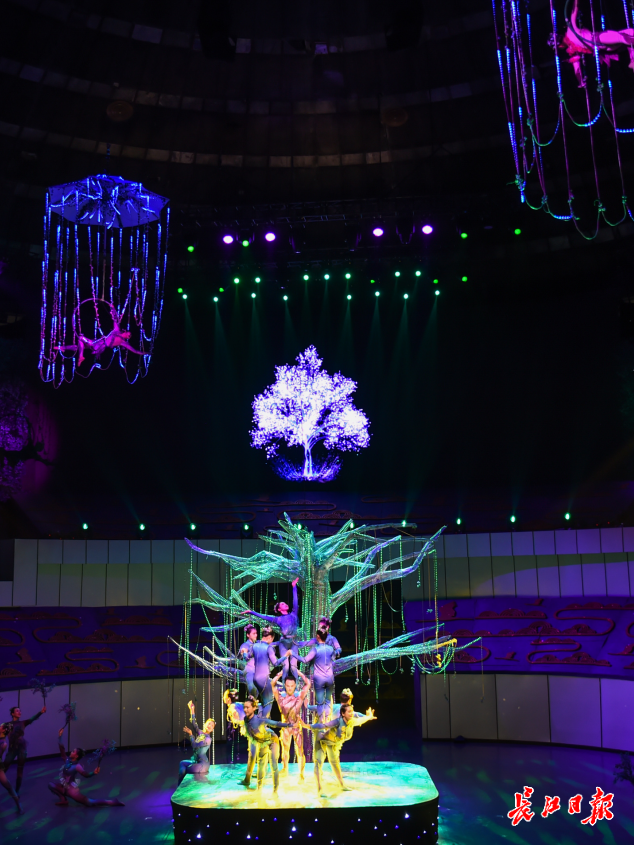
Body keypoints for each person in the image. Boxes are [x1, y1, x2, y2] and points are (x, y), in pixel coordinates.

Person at [300, 704, 377, 796]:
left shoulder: (352, 721)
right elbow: (322, 726)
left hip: (333, 743)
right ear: (343, 714)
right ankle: (320, 789)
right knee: (318, 764)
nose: (352, 713)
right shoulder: (337, 722)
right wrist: (305, 726)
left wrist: (369, 716)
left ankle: (341, 785)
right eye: (349, 711)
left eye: (352, 711)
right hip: (322, 740)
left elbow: (362, 719)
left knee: (335, 763)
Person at [555, 0, 634, 87]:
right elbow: (574, 10)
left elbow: (577, 68)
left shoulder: (571, 44)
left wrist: (580, 81)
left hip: (602, 46)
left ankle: (632, 60)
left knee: (629, 33)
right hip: (599, 40)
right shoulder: (571, 38)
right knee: (623, 38)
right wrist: (580, 81)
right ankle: (632, 60)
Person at [47, 727, 124, 807]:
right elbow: (62, 751)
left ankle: (113, 802)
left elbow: (85, 774)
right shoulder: (67, 761)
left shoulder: (77, 766)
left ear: (76, 756)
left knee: (90, 802)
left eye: (73, 751)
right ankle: (63, 799)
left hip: (71, 791)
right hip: (64, 788)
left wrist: (93, 773)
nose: (71, 752)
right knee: (51, 785)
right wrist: (60, 736)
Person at [241, 577, 300, 679]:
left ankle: (297, 686)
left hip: (294, 641)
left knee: (294, 667)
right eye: (282, 604)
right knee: (286, 667)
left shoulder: (293, 614)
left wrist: (294, 587)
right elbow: (263, 616)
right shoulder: (278, 619)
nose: (285, 604)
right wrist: (251, 612)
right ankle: (285, 687)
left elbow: (295, 601)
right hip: (284, 642)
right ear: (279, 609)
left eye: (285, 603)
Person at [55, 305, 145, 366]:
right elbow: (115, 318)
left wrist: (146, 353)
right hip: (96, 342)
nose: (128, 334)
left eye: (129, 336)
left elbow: (135, 351)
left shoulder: (122, 342)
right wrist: (113, 308)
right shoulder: (116, 330)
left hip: (98, 346)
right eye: (128, 333)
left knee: (81, 338)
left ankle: (80, 356)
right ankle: (63, 348)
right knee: (80, 344)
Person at [270, 669, 311, 780]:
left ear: (295, 686)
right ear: (285, 685)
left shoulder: (299, 696)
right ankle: (285, 769)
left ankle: (301, 773)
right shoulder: (280, 697)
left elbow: (308, 683)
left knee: (300, 751)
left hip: (297, 727)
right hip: (285, 727)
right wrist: (279, 674)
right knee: (285, 750)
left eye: (292, 686)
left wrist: (299, 673)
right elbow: (272, 684)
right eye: (288, 686)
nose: (290, 688)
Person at [242, 695, 287, 792]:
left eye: (248, 707)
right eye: (244, 707)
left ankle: (275, 790)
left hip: (272, 740)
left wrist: (290, 725)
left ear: (254, 708)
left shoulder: (259, 720)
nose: (245, 710)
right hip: (262, 742)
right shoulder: (245, 720)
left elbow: (275, 723)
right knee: (261, 765)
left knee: (273, 765)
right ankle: (259, 789)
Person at [3, 703, 46, 794]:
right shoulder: (8, 724)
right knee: (3, 769)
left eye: (20, 711)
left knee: (20, 769)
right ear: (12, 714)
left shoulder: (22, 723)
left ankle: (17, 791)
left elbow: (32, 718)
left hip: (22, 749)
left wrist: (41, 712)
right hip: (12, 749)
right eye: (17, 711)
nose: (19, 712)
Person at [250, 626, 289, 718]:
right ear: (270, 637)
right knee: (269, 702)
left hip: (255, 679)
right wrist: (285, 656)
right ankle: (261, 722)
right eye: (272, 639)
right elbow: (275, 663)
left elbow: (246, 656)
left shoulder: (254, 646)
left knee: (263, 700)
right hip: (263, 679)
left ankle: (259, 718)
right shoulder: (268, 648)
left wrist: (243, 652)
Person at [297, 627, 336, 721]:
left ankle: (322, 722)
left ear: (318, 636)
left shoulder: (315, 649)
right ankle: (327, 721)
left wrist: (293, 654)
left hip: (319, 679)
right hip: (330, 678)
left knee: (320, 702)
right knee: (328, 701)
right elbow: (333, 659)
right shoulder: (331, 648)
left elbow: (305, 660)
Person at [223, 689, 256, 786]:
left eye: (225, 696)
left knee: (252, 752)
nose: (223, 698)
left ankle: (247, 779)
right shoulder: (238, 704)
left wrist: (236, 716)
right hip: (251, 725)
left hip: (250, 727)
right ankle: (253, 772)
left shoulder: (232, 707)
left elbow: (236, 714)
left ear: (228, 699)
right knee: (254, 751)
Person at [178, 700, 215, 785]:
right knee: (182, 763)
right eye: (209, 723)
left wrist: (191, 734)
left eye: (212, 725)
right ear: (205, 724)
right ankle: (180, 786)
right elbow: (194, 723)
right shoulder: (201, 733)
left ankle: (182, 786)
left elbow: (195, 745)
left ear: (212, 729)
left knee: (185, 770)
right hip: (196, 761)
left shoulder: (208, 739)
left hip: (202, 764)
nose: (210, 726)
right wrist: (192, 710)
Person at [0, 722, 21, 814]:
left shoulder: (3, 743)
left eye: (0, 726)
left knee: (7, 785)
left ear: (4, 730)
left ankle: (19, 805)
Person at [238, 624, 258, 697]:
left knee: (257, 692)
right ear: (248, 635)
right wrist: (244, 653)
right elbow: (243, 658)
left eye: (256, 633)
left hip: (257, 670)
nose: (256, 635)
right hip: (250, 670)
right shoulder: (245, 645)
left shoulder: (257, 644)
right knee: (252, 691)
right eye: (253, 633)